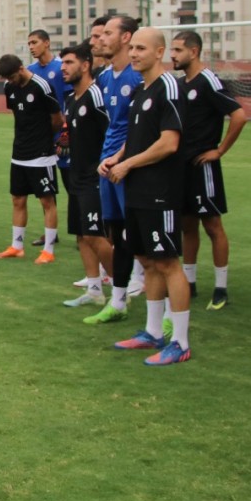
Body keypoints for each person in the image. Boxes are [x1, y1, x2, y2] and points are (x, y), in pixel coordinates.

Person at [99, 28, 191, 365]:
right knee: (148, 260)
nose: (134, 53)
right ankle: (153, 332)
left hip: (160, 190)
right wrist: (116, 157)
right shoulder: (141, 89)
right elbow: (137, 136)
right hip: (136, 188)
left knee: (167, 262)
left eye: (141, 48)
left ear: (159, 52)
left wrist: (128, 164)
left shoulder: (169, 87)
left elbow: (169, 143)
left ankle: (180, 341)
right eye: (133, 48)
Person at [170, 30, 248, 309]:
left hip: (203, 165)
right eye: (172, 50)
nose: (173, 55)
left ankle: (221, 287)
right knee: (187, 225)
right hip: (182, 166)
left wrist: (220, 150)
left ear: (194, 52)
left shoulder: (209, 81)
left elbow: (239, 115)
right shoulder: (179, 84)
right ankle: (189, 282)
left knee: (212, 225)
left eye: (178, 50)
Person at [84, 15, 146, 326]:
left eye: (107, 33)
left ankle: (145, 286)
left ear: (126, 38)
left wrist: (122, 158)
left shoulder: (139, 77)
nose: (99, 39)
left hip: (129, 167)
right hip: (107, 166)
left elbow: (140, 129)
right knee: (115, 233)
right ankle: (118, 300)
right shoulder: (106, 77)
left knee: (136, 233)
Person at [0, 53, 63, 263]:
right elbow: (18, 114)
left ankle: (48, 250)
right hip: (19, 153)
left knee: (47, 201)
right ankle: (17, 246)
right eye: (7, 78)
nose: (10, 81)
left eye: (12, 77)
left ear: (21, 69)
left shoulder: (42, 86)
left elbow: (57, 119)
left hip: (41, 154)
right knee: (18, 199)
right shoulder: (9, 87)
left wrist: (44, 139)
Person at [60, 43, 113, 308]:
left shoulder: (96, 96)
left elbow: (112, 132)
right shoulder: (70, 99)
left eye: (69, 62)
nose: (63, 68)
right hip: (76, 176)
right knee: (81, 235)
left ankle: (122, 288)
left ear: (85, 65)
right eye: (62, 63)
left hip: (95, 178)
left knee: (95, 235)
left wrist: (108, 165)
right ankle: (94, 291)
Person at [27, 29, 70, 247]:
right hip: (40, 138)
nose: (31, 47)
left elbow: (71, 100)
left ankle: (83, 231)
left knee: (71, 183)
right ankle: (50, 233)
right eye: (29, 43)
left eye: (34, 42)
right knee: (46, 187)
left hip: (63, 135)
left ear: (47, 43)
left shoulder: (61, 67)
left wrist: (65, 133)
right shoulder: (30, 71)